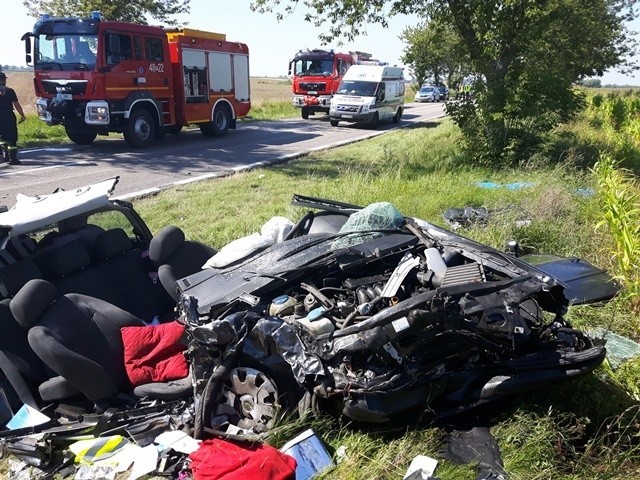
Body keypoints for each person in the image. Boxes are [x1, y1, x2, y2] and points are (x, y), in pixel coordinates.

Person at [0, 72, 26, 166]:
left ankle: (5, 155)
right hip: (8, 115)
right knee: (11, 137)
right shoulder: (9, 90)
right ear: (3, 80)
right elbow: (16, 105)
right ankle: (13, 159)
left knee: (2, 136)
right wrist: (22, 115)